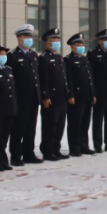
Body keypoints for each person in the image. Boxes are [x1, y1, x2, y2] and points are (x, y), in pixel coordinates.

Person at [8, 25, 43, 166]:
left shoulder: (33, 55)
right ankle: (15, 155)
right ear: (19, 38)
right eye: (26, 37)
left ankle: (29, 153)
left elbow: (36, 77)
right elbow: (11, 79)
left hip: (33, 98)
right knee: (18, 128)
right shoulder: (12, 56)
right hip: (20, 99)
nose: (29, 39)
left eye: (30, 37)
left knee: (31, 128)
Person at [38, 28, 69, 161]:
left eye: (58, 40)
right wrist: (45, 96)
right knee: (49, 126)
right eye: (53, 40)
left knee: (60, 125)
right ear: (47, 43)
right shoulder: (43, 58)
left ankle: (56, 148)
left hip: (62, 97)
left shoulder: (58, 57)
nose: (57, 42)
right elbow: (43, 79)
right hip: (51, 98)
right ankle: (47, 150)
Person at [64, 33, 96, 157]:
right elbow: (69, 79)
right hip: (76, 97)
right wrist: (70, 95)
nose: (81, 47)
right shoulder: (68, 60)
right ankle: (74, 148)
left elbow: (90, 78)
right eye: (78, 45)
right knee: (74, 123)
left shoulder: (84, 59)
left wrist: (93, 94)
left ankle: (84, 145)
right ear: (72, 47)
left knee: (85, 123)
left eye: (82, 45)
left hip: (87, 96)